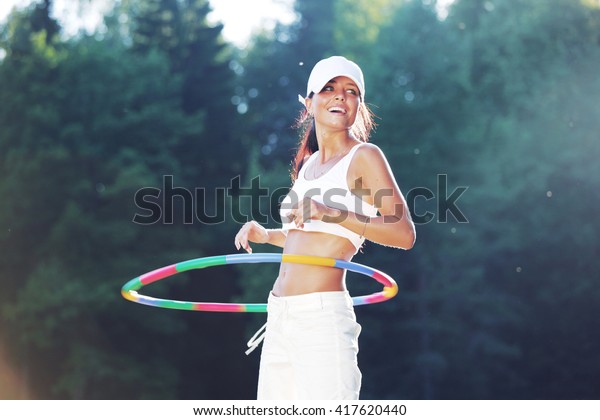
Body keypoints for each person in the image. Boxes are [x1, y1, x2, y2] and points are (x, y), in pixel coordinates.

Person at [234, 56, 415, 400]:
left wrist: (329, 210)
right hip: (279, 314)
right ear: (309, 102)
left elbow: (403, 233)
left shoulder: (364, 156)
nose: (339, 97)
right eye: (328, 89)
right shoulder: (309, 166)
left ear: (358, 105)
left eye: (350, 91)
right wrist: (267, 235)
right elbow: (305, 237)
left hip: (320, 318)